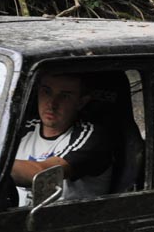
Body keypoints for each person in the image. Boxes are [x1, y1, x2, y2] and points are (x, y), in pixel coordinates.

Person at [11, 72, 114, 206]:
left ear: (81, 102)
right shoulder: (23, 129)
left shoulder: (93, 137)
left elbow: (43, 174)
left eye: (64, 96)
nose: (52, 104)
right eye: (46, 92)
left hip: (70, 223)